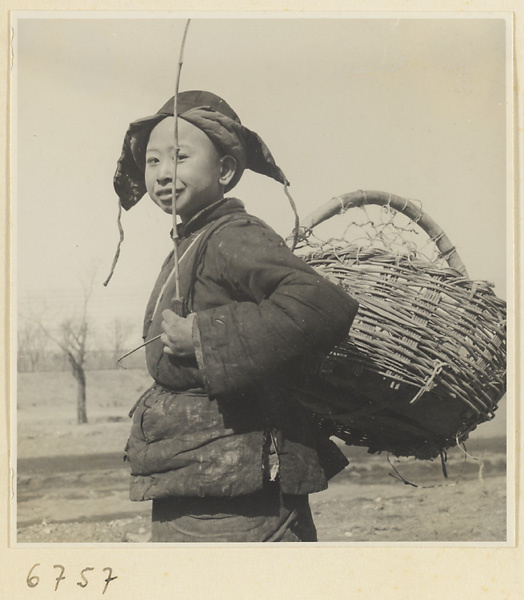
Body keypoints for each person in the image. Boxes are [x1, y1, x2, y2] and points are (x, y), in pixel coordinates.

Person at [113, 90, 358, 542]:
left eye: (180, 157)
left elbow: (324, 305)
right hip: (208, 480)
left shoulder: (234, 237)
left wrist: (203, 337)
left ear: (225, 170)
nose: (164, 173)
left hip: (242, 497)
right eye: (152, 161)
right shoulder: (193, 237)